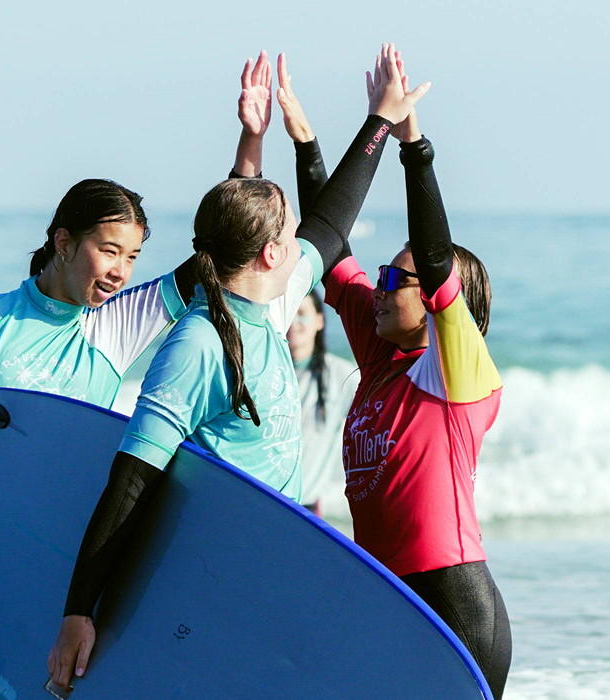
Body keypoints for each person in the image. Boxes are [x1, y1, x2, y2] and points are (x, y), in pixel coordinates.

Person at [0, 52, 332, 700]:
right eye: (109, 250)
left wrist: (251, 143)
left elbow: (227, 246)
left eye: (133, 256)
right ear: (64, 240)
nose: (123, 270)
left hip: (20, 569)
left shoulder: (112, 327)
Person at [46, 43, 428, 695]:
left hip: (273, 563)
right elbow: (130, 482)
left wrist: (380, 122)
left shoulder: (271, 303)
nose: (301, 238)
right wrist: (79, 612)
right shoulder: (197, 344)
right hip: (213, 573)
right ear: (271, 249)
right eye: (287, 228)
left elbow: (333, 225)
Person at [289, 48, 514, 697]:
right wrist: (307, 144)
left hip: (453, 605)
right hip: (384, 595)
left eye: (397, 280)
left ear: (442, 305)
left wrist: (412, 145)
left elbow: (437, 260)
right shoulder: (381, 355)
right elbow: (330, 254)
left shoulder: (456, 376)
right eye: (383, 277)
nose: (381, 288)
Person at [288, 289, 356, 515]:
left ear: (319, 320)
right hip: (262, 497)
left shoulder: (341, 375)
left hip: (308, 507)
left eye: (301, 313)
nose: (293, 321)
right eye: (287, 312)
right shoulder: (262, 374)